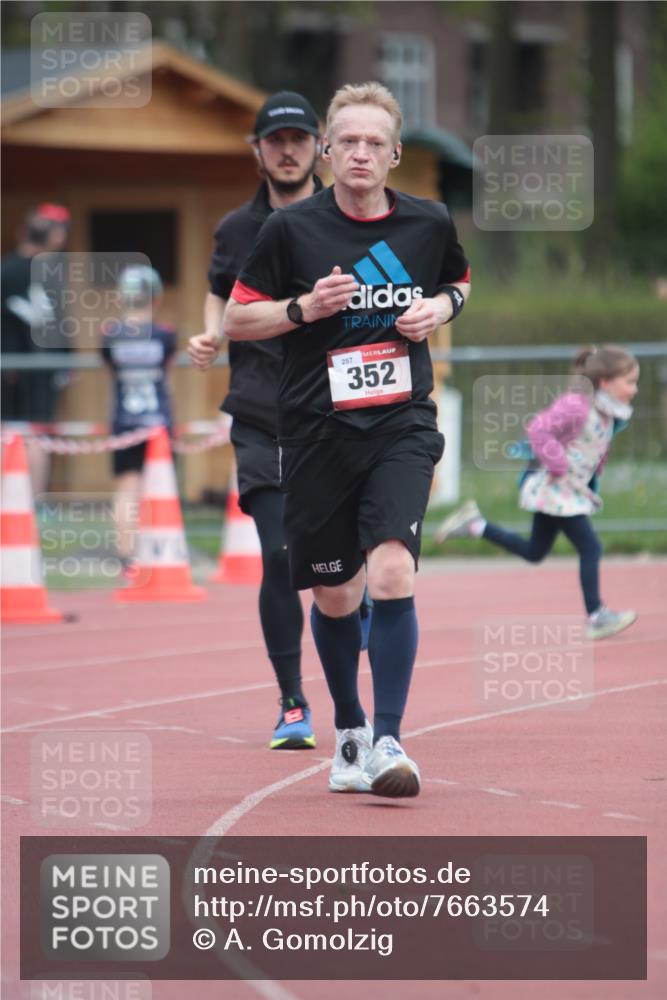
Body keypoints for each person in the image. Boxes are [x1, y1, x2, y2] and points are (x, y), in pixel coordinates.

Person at [224, 82, 471, 797]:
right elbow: (241, 320)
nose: (360, 153)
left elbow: (458, 280)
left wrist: (436, 308)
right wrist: (303, 308)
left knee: (392, 570)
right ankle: (352, 732)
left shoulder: (427, 224)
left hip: (400, 423)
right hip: (315, 430)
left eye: (374, 143)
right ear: (326, 153)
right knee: (334, 591)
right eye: (347, 142)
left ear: (394, 154)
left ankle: (392, 740)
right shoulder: (291, 230)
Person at [189, 91, 341, 752]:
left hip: (337, 413)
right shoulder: (235, 228)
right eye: (275, 140)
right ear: (257, 151)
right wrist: (208, 336)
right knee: (280, 557)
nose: (287, 150)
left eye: (299, 139)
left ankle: (357, 693)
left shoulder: (346, 220)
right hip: (260, 409)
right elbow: (220, 291)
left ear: (318, 149)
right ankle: (291, 703)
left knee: (342, 572)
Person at [436, 345, 639, 640]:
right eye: (630, 382)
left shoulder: (608, 410)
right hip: (556, 490)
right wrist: (558, 465)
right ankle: (596, 615)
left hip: (566, 492)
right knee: (591, 547)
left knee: (535, 552)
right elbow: (539, 430)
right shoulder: (577, 405)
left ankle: (475, 524)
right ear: (606, 381)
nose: (634, 389)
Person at [101, 266, 176, 573]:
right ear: (155, 298)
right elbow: (167, 374)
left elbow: (111, 371)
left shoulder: (110, 334)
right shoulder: (165, 335)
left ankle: (126, 555)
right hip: (158, 418)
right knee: (158, 487)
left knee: (126, 488)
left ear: (123, 298)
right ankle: (157, 552)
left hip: (124, 419)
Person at [1, 203, 71, 492]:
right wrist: (67, 360)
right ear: (54, 237)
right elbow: (59, 325)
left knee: (7, 434)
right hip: (39, 368)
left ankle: (8, 502)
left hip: (9, 366)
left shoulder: (4, 271)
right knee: (36, 435)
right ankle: (34, 505)